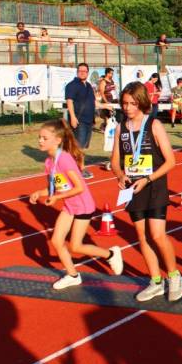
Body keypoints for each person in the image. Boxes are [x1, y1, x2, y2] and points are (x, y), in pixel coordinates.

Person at [28, 120, 124, 289]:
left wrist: (57, 198)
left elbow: (79, 187)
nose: (40, 141)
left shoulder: (64, 159)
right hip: (70, 206)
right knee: (57, 241)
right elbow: (54, 187)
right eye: (39, 138)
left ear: (57, 140)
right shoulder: (49, 162)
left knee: (75, 246)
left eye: (44, 138)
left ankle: (110, 254)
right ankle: (72, 275)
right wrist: (40, 193)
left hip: (83, 205)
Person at [110, 82, 182, 303]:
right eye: (124, 103)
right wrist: (120, 175)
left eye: (132, 103)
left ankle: (174, 276)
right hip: (134, 187)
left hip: (154, 184)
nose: (128, 107)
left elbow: (171, 161)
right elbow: (114, 161)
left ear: (142, 102)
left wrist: (148, 178)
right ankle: (155, 281)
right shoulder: (121, 128)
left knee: (158, 235)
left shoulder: (154, 124)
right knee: (142, 236)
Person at [64, 63, 96, 179]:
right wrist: (72, 117)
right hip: (79, 120)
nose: (82, 72)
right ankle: (81, 168)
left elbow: (93, 102)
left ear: (88, 72)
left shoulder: (88, 86)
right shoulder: (72, 85)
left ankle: (69, 166)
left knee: (82, 146)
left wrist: (106, 106)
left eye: (85, 71)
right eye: (80, 70)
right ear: (77, 72)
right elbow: (69, 101)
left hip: (88, 120)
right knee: (79, 146)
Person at [97, 67, 117, 132]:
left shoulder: (112, 81)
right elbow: (102, 93)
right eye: (111, 73)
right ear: (107, 74)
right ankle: (105, 128)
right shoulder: (103, 82)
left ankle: (104, 126)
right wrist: (106, 102)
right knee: (107, 117)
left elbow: (113, 91)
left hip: (113, 101)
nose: (112, 75)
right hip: (106, 101)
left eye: (112, 73)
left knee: (113, 116)